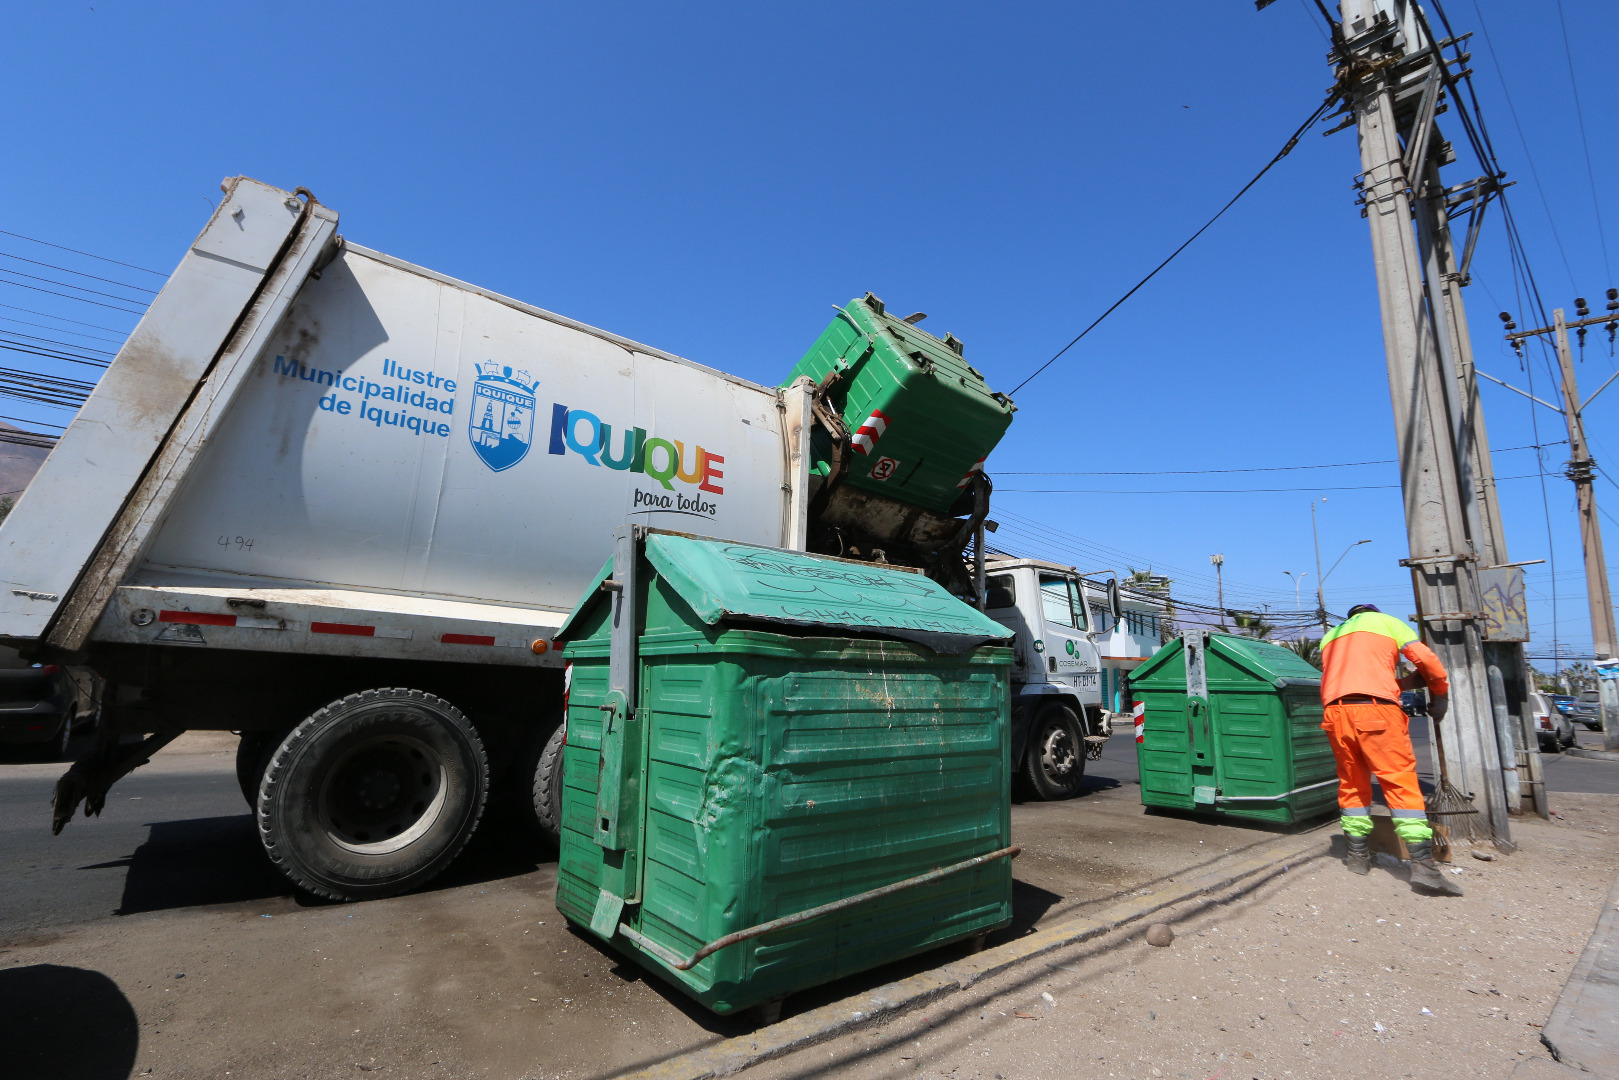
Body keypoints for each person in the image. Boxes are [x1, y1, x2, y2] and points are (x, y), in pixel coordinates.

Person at [1319, 603, 1461, 895]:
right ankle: (1424, 867)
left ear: (1352, 617)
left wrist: (1405, 683)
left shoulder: (1331, 636)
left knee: (1352, 783)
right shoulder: (1387, 623)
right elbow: (1426, 659)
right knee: (1399, 781)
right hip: (1377, 712)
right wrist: (1440, 694)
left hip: (1336, 713)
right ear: (1374, 612)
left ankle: (1357, 857)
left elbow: (1356, 681)